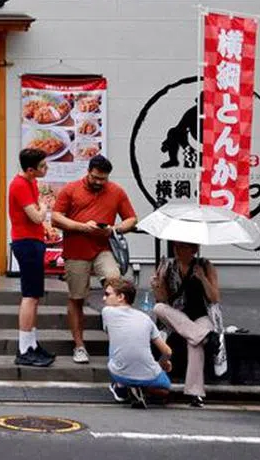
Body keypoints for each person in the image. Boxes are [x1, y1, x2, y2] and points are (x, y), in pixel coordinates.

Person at [50, 155, 137, 364]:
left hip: (103, 248)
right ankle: (79, 345)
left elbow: (132, 219)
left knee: (116, 284)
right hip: (76, 250)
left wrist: (114, 229)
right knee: (77, 297)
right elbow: (55, 217)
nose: (99, 182)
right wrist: (82, 226)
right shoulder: (71, 189)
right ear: (88, 172)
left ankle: (119, 339)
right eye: (95, 177)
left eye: (103, 179)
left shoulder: (116, 191)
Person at [151, 240, 221, 408]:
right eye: (176, 246)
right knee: (158, 307)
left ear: (194, 249)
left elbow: (214, 298)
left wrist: (202, 278)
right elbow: (164, 300)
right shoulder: (168, 267)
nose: (177, 250)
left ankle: (195, 393)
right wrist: (157, 285)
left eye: (183, 247)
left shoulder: (205, 265)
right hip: (178, 316)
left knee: (194, 344)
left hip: (201, 317)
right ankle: (204, 337)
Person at [8, 147, 56, 368]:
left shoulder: (31, 182)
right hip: (26, 243)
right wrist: (46, 207)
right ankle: (24, 347)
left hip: (34, 241)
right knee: (29, 295)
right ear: (30, 170)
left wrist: (45, 226)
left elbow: (37, 219)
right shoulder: (19, 185)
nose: (46, 169)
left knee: (35, 295)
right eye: (43, 166)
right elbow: (36, 215)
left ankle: (32, 344)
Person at [101, 277, 173, 409]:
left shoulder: (107, 312)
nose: (103, 299)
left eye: (107, 294)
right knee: (165, 389)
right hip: (149, 373)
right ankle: (142, 388)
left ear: (121, 297)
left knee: (116, 345)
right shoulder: (145, 318)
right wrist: (164, 362)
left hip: (119, 372)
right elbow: (167, 351)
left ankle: (121, 387)